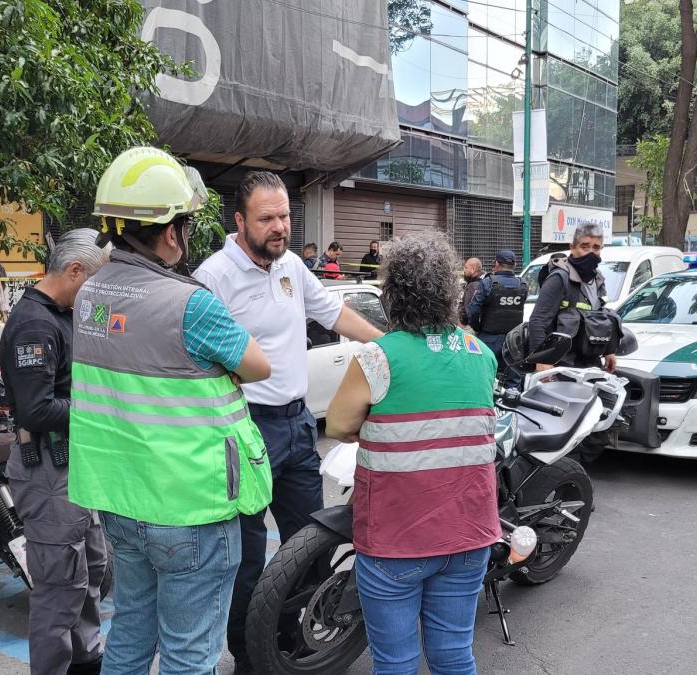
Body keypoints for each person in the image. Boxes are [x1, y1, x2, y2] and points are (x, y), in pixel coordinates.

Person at [67, 148, 274, 675]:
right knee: (189, 652)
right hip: (191, 508)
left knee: (132, 632)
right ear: (168, 232)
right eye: (183, 224)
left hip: (122, 502)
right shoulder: (191, 303)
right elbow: (257, 366)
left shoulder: (91, 293)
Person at [193, 171, 384, 673]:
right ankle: (250, 659)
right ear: (239, 221)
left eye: (285, 216)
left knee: (310, 543)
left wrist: (387, 348)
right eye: (267, 218)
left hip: (298, 427)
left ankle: (294, 643)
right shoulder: (212, 277)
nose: (280, 227)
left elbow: (334, 313)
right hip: (242, 429)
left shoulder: (291, 266)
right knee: (247, 559)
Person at [325, 230, 500, 674]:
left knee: (396, 662)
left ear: (392, 295)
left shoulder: (378, 358)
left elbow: (339, 425)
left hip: (395, 543)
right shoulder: (480, 354)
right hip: (469, 536)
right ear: (450, 293)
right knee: (454, 655)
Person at [0, 228, 110, 675]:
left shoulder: (65, 314)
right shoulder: (34, 323)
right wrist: (102, 405)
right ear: (74, 270)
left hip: (77, 467)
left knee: (90, 574)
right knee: (59, 589)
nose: (96, 294)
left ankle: (87, 660)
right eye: (94, 283)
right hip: (47, 469)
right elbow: (36, 409)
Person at [526, 224, 618, 373]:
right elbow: (538, 320)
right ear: (572, 247)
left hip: (590, 365)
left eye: (596, 248)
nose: (591, 253)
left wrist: (610, 350)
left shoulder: (598, 279)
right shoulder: (560, 278)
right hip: (561, 367)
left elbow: (602, 317)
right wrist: (542, 361)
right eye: (585, 247)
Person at [467, 249, 529, 390]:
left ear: (496, 264)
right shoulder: (522, 284)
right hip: (514, 341)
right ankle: (511, 409)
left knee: (485, 380)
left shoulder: (488, 283)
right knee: (513, 383)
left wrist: (478, 328)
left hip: (489, 338)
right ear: (513, 265)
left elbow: (473, 311)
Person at [458, 257, 483, 327]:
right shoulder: (483, 282)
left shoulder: (473, 286)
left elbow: (469, 310)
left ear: (473, 269)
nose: (464, 270)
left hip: (469, 327)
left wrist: (464, 324)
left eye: (466, 268)